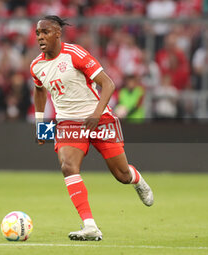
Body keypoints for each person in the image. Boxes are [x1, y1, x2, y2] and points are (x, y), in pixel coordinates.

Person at [30, 16, 154, 241]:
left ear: (58, 33)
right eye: (38, 33)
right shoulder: (36, 66)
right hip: (68, 122)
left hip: (99, 118)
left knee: (121, 175)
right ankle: (89, 226)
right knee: (68, 166)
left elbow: (108, 84)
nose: (40, 37)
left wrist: (96, 113)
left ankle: (137, 180)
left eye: (45, 32)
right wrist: (41, 124)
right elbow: (40, 91)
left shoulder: (75, 54)